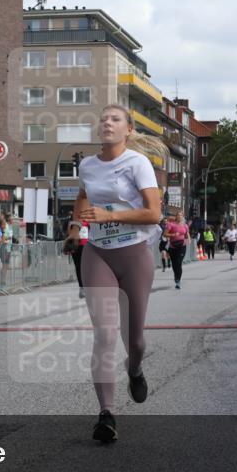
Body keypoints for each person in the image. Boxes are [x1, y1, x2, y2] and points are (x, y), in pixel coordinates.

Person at [65, 104, 165, 444]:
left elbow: (154, 213)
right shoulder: (88, 166)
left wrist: (109, 215)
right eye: (103, 119)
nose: (107, 123)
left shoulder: (138, 164)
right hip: (98, 254)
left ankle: (134, 369)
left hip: (134, 255)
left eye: (115, 119)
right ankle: (106, 413)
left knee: (133, 340)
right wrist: (76, 226)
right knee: (105, 335)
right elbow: (81, 196)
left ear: (129, 130)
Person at [163, 210, 189, 289]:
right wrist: (173, 234)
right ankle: (176, 276)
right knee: (174, 264)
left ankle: (178, 280)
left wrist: (188, 240)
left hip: (182, 246)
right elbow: (165, 234)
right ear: (176, 216)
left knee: (179, 263)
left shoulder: (185, 226)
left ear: (182, 217)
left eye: (181, 215)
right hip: (173, 246)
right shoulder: (171, 225)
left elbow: (187, 234)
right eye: (178, 215)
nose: (179, 217)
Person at [65, 216, 89, 297]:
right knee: (78, 267)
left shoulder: (89, 220)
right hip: (77, 245)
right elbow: (68, 233)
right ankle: (82, 288)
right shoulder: (73, 222)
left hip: (87, 245)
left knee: (87, 267)